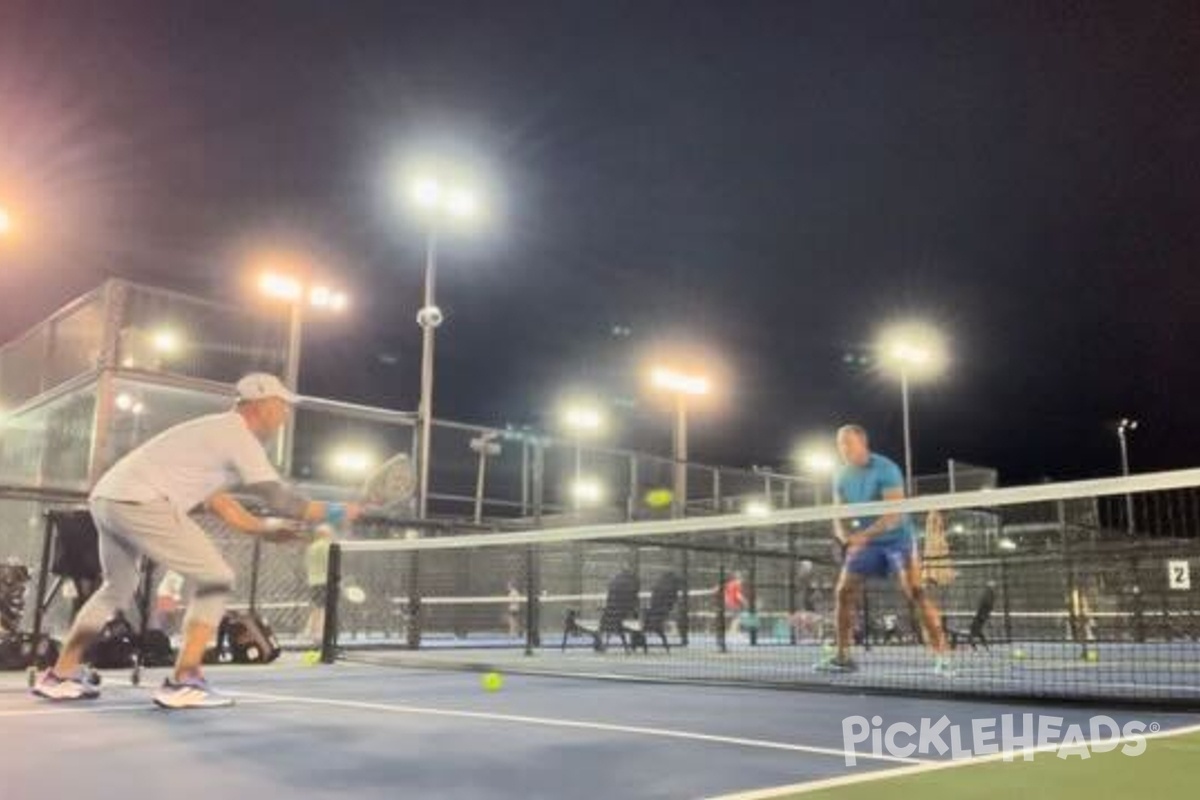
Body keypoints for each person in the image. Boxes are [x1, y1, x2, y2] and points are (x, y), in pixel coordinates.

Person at [32, 373, 359, 708]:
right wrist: (339, 511)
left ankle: (62, 674)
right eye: (282, 405)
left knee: (117, 588)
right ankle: (184, 680)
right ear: (262, 405)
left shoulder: (212, 433)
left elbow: (221, 504)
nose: (286, 414)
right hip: (141, 500)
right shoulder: (238, 435)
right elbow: (283, 500)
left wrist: (263, 529)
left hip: (106, 499)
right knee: (216, 578)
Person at [816, 424, 948, 674]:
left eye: (848, 443)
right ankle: (843, 656)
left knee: (916, 593)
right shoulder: (841, 475)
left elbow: (894, 514)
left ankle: (943, 657)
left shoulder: (886, 469)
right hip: (866, 543)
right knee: (843, 592)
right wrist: (846, 538)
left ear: (863, 443)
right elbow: (837, 513)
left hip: (897, 540)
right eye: (840, 444)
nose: (843, 449)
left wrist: (863, 537)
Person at [304, 526, 334, 645]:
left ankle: (311, 631)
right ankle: (319, 632)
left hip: (313, 580)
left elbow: (307, 564)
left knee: (317, 606)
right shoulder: (326, 546)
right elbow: (330, 562)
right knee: (324, 608)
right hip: (324, 580)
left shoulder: (311, 547)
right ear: (326, 534)